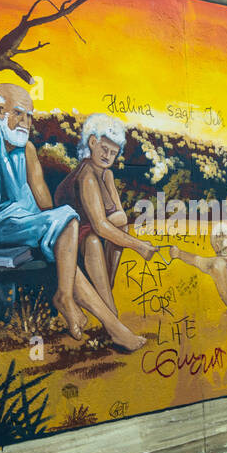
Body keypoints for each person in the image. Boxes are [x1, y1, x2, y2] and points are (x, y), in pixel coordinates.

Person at [0, 83, 145, 351]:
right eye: (19, 113)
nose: (27, 122)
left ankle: (110, 326)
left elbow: (43, 203)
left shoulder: (28, 150)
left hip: (26, 226)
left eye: (30, 116)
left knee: (64, 227)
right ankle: (71, 301)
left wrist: (56, 230)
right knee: (66, 221)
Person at [53, 113, 158, 312]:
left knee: (120, 226)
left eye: (113, 152)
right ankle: (109, 309)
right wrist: (139, 246)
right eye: (104, 148)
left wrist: (112, 220)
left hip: (91, 229)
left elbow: (120, 216)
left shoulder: (106, 175)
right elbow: (100, 225)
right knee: (94, 239)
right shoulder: (87, 175)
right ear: (92, 142)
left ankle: (105, 295)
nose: (107, 156)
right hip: (69, 233)